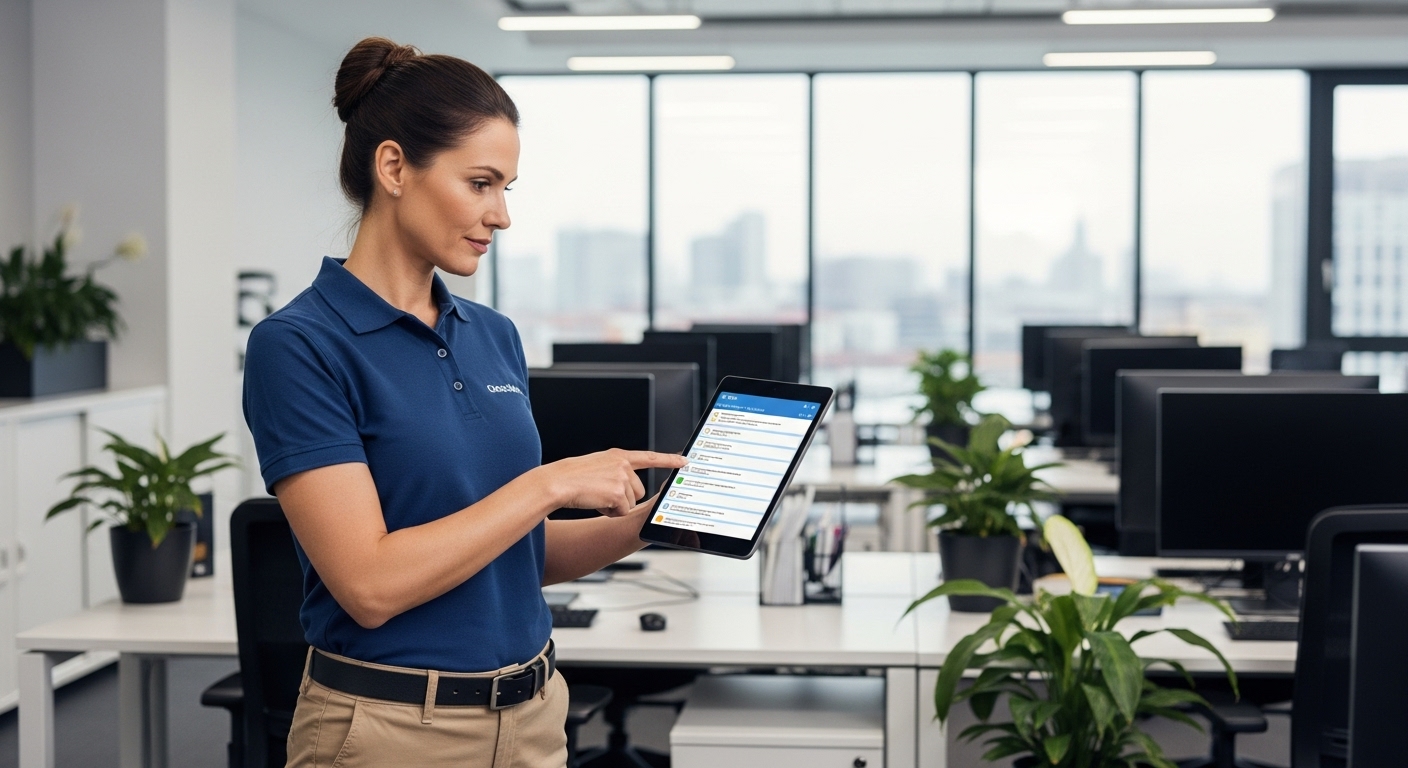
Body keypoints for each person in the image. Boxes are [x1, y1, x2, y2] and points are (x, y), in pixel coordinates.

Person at [242, 37, 687, 768]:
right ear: (394, 167)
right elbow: (371, 584)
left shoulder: (493, 336)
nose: (502, 215)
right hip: (390, 729)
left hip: (533, 717)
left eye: (508, 187)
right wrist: (551, 482)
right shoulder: (299, 345)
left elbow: (514, 551)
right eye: (481, 183)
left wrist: (656, 525)